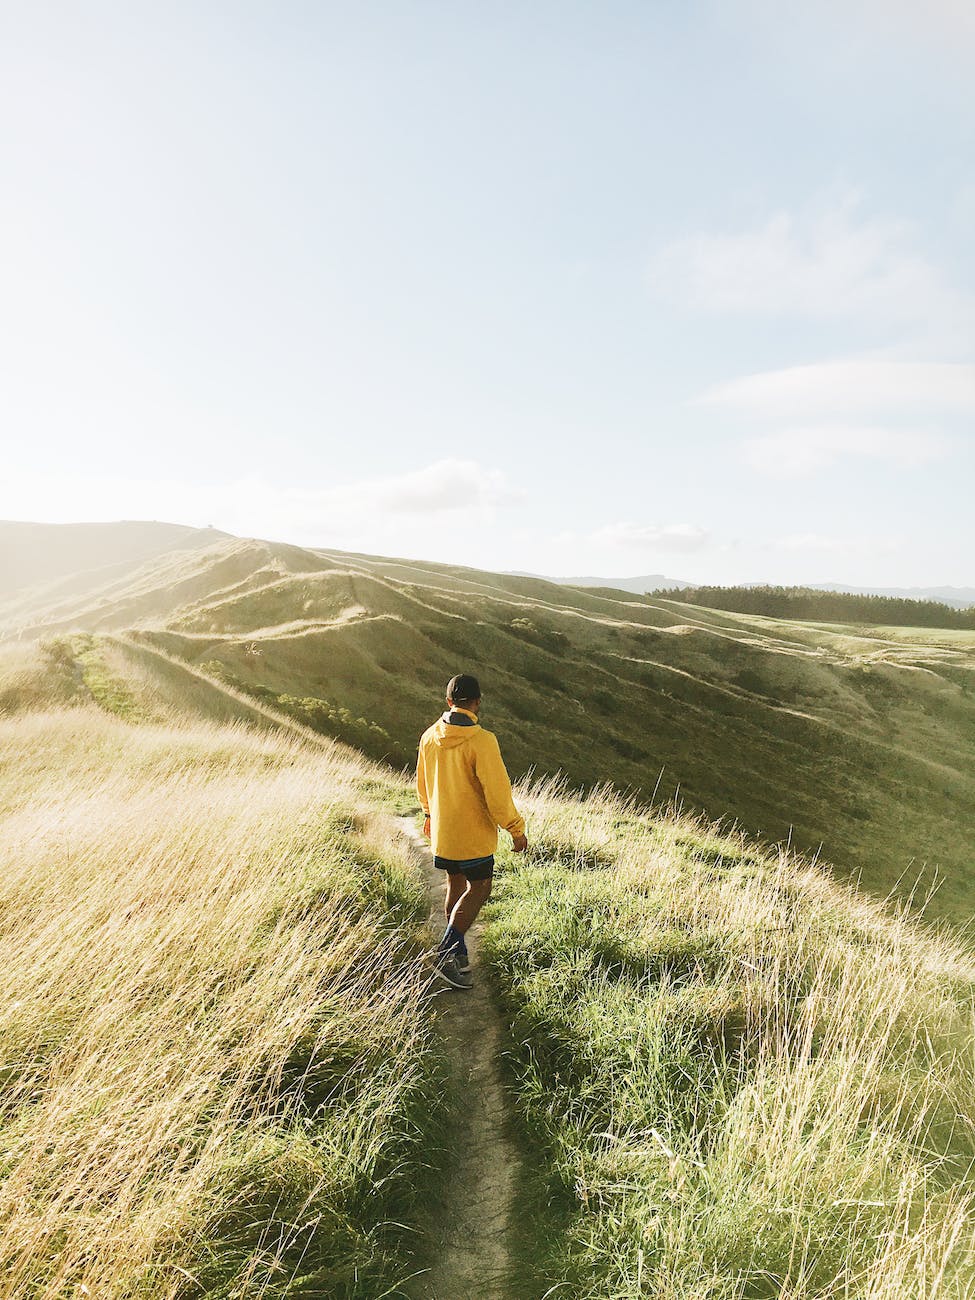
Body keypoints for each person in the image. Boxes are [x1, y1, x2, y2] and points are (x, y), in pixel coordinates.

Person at [417, 673, 527, 990]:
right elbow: (497, 792)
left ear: (449, 701)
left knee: (456, 882)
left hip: (443, 829)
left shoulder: (429, 737)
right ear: (477, 703)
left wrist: (427, 813)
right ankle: (446, 950)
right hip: (473, 832)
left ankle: (459, 956)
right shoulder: (482, 741)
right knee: (480, 888)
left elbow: (422, 782)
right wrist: (515, 829)